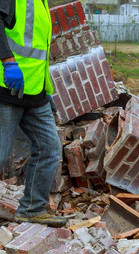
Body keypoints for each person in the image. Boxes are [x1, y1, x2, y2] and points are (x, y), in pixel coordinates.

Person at [0, 0, 67, 227]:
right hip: (6, 86)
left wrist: (45, 88)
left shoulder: (40, 2)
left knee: (49, 148)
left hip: (34, 91)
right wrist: (8, 61)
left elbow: (39, 51)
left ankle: (32, 209)